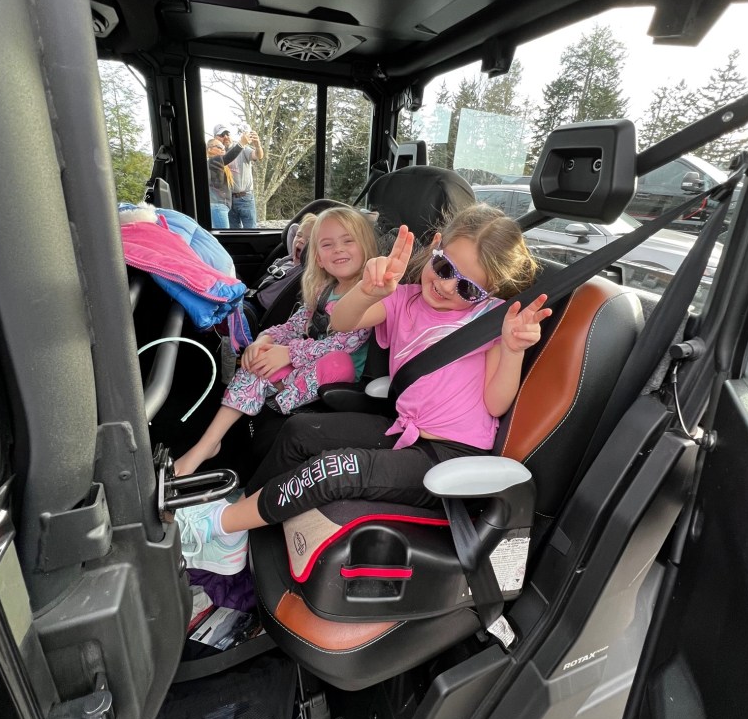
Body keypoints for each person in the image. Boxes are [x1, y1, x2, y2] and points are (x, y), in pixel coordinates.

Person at [173, 204, 552, 570]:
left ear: (487, 293)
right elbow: (343, 321)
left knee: (333, 471)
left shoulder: (492, 322)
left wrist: (513, 350)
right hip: (405, 430)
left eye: (468, 289)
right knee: (300, 431)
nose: (447, 285)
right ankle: (240, 526)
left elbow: (496, 402)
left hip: (449, 454)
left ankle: (220, 526)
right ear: (436, 249)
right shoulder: (404, 298)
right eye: (443, 267)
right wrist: (370, 291)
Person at [173, 206, 378, 487]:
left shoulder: (370, 294)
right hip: (303, 366)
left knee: (336, 359)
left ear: (366, 246)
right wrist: (265, 340)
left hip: (337, 374)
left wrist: (288, 354)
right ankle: (207, 444)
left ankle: (277, 396)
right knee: (260, 358)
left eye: (348, 241)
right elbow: (293, 326)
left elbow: (344, 342)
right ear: (317, 257)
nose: (338, 250)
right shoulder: (323, 290)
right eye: (327, 245)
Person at [213, 123, 265, 229]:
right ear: (215, 138)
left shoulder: (243, 148)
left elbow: (258, 156)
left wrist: (258, 145)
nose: (226, 137)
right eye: (222, 135)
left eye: (227, 133)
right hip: (227, 200)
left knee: (251, 231)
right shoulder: (215, 154)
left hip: (245, 197)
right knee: (233, 234)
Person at [207, 138, 243, 229]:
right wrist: (241, 144)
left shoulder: (215, 164)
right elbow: (228, 157)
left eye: (223, 147)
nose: (223, 149)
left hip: (219, 207)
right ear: (209, 149)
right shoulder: (213, 161)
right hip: (218, 206)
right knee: (223, 237)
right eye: (219, 147)